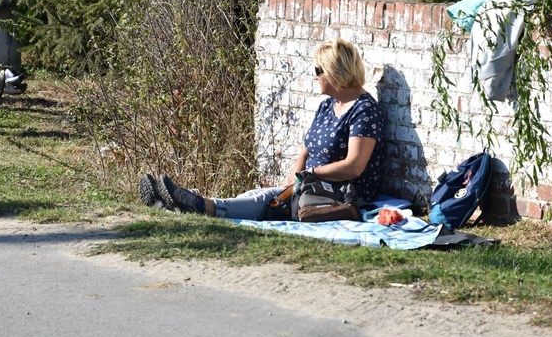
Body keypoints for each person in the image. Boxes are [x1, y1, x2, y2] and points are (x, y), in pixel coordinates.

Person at [139, 38, 387, 220]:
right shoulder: (327, 105)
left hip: (341, 191)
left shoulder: (364, 110)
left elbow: (354, 166)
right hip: (311, 182)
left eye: (317, 71)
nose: (315, 76)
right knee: (259, 194)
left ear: (334, 71)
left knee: (262, 200)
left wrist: (309, 174)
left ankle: (197, 205)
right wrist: (296, 178)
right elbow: (305, 150)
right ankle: (174, 204)